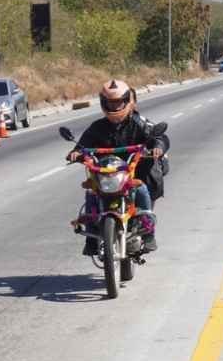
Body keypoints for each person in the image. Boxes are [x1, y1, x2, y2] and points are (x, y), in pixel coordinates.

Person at [66, 80, 169, 253]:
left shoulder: (140, 124)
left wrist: (157, 147)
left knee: (142, 189)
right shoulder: (97, 127)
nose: (114, 107)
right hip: (106, 174)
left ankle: (148, 232)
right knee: (91, 193)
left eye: (118, 102)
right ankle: (91, 237)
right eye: (110, 103)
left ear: (128, 101)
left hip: (131, 174)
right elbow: (83, 145)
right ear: (103, 103)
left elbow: (159, 137)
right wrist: (76, 152)